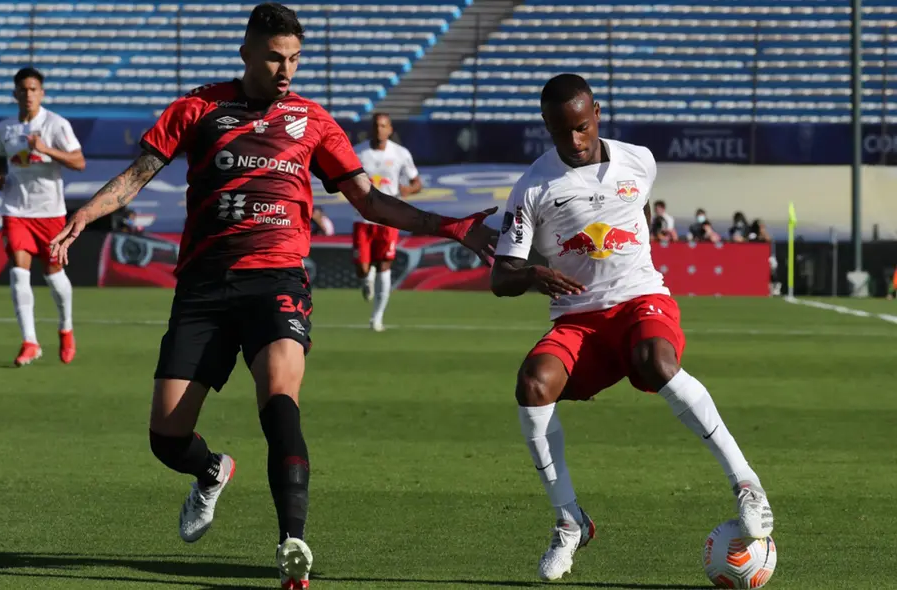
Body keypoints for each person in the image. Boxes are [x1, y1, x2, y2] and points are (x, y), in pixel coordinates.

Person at [47, 4, 496, 588]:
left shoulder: (313, 121)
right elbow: (137, 175)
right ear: (246, 54)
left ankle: (292, 545)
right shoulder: (198, 108)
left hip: (277, 279)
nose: (286, 70)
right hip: (205, 285)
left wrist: (448, 225)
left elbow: (370, 201)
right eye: (274, 58)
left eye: (294, 59)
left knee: (280, 398)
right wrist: (85, 214)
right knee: (166, 438)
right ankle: (212, 470)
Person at [490, 74, 773, 582]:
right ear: (546, 126)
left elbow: (636, 209)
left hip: (641, 299)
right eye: (561, 131)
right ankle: (569, 522)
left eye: (581, 127)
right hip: (578, 319)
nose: (574, 141)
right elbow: (501, 276)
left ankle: (747, 484)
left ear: (597, 113)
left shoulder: (639, 160)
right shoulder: (532, 186)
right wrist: (532, 274)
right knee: (532, 384)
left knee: (657, 362)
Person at [0, 66, 86, 367]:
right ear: (15, 94)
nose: (29, 94)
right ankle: (30, 342)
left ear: (42, 93)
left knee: (54, 275)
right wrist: (0, 175)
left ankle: (66, 328)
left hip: (50, 212)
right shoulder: (4, 129)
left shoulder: (56, 125)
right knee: (18, 272)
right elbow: (0, 155)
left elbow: (79, 162)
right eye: (23, 90)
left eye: (34, 89)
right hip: (16, 210)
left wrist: (45, 149)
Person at [351, 112, 421, 331]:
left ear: (390, 129)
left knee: (384, 264)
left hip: (389, 217)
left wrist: (409, 189)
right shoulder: (358, 152)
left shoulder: (400, 153)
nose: (379, 130)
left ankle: (377, 318)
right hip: (363, 217)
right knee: (362, 269)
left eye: (383, 126)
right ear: (370, 128)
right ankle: (367, 277)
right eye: (376, 126)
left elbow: (417, 182)